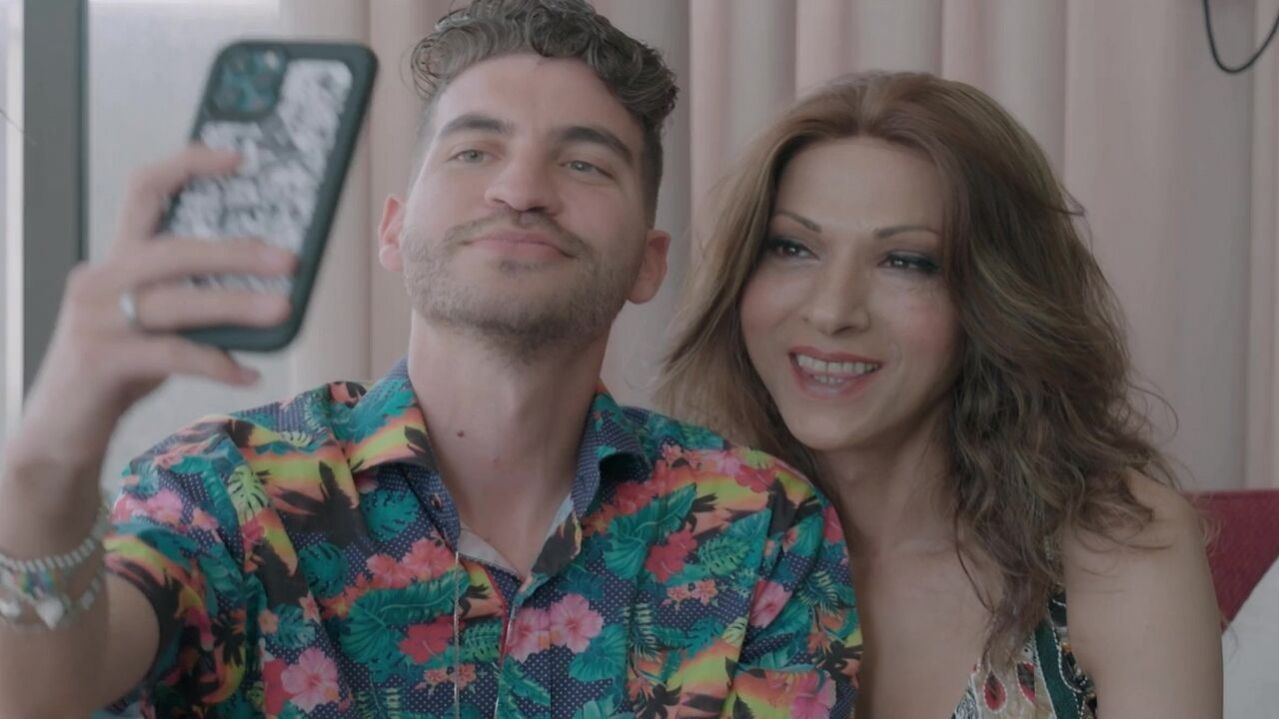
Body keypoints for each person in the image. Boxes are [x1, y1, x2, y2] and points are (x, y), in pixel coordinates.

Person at [0, 2, 861, 717]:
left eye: (584, 162)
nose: (520, 190)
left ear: (649, 260)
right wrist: (44, 461)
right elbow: (36, 691)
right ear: (392, 229)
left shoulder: (760, 525)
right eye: (473, 151)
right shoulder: (219, 492)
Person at [660, 71, 1222, 718]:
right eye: (793, 247)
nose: (832, 310)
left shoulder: (1116, 553)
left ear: (996, 298)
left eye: (906, 261)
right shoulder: (672, 544)